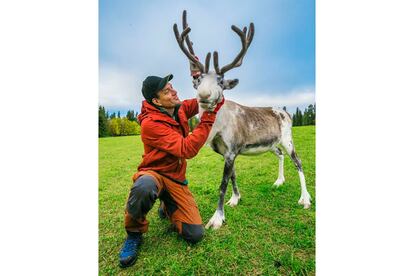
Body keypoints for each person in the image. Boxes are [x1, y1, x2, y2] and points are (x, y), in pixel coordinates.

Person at [119, 73, 225, 268]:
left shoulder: (181, 108)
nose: (174, 91)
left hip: (176, 179)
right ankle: (134, 234)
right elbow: (187, 149)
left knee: (195, 234)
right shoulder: (150, 124)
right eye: (167, 91)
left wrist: (205, 82)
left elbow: (206, 98)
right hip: (155, 174)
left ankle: (166, 205)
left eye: (172, 87)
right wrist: (208, 118)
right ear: (156, 101)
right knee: (144, 186)